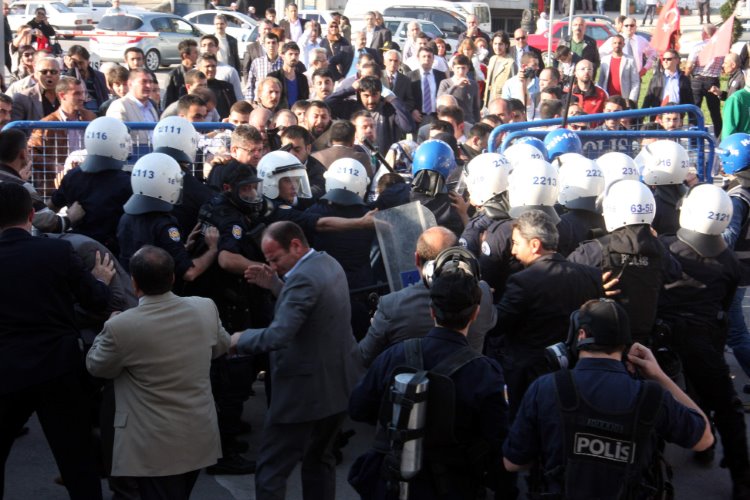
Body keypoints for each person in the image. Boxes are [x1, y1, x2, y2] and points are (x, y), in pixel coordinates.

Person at [503, 299, 714, 497]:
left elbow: (512, 463)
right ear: (625, 344)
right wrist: (659, 376)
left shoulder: (545, 387)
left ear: (581, 335)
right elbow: (704, 440)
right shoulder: (652, 396)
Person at [348, 253, 507, 499]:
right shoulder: (485, 371)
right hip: (455, 484)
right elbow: (496, 437)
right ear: (475, 314)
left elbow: (358, 408)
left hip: (394, 479)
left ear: (432, 311)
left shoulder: (394, 356)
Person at [230, 221, 364, 500]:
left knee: (271, 469)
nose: (273, 266)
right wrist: (276, 285)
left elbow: (280, 334)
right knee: (320, 460)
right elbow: (310, 308)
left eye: (275, 259)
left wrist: (238, 340)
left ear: (295, 245)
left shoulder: (303, 278)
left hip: (303, 393)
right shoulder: (327, 263)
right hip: (337, 387)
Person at [86, 246, 230, 499]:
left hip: (152, 445)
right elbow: (221, 346)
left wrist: (105, 327)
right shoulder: (205, 307)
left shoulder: (121, 326)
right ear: (172, 277)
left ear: (133, 283)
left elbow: (97, 367)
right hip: (198, 433)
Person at [0, 182, 114, 500]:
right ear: (31, 215)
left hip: (6, 369)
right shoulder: (56, 251)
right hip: (58, 367)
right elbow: (95, 301)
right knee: (76, 460)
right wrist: (100, 281)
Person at [657, 184, 750, 497]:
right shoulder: (729, 262)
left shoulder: (666, 247)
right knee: (725, 405)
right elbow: (724, 307)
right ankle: (740, 475)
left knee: (650, 401)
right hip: (705, 341)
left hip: (662, 338)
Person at [495, 209, 602, 414]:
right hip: (573, 373)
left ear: (535, 245)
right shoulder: (591, 276)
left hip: (529, 376)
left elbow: (499, 324)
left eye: (516, 243)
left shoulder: (522, 282)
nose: (513, 251)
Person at [360, 225, 497, 366]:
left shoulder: (390, 306)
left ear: (417, 259)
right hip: (470, 383)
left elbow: (364, 356)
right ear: (458, 254)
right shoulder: (483, 292)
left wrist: (380, 326)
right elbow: (490, 322)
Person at [568, 180, 681, 343]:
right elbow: (674, 274)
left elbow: (561, 280)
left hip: (597, 342)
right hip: (642, 343)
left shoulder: (594, 250)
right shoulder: (660, 251)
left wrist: (592, 286)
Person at [46, 117, 132, 252]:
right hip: (111, 254)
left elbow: (49, 208)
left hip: (76, 248)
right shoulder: (126, 183)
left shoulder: (72, 176)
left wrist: (67, 219)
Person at [106, 68, 159, 154]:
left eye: (150, 82)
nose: (149, 86)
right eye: (144, 82)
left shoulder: (151, 108)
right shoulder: (119, 106)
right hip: (131, 161)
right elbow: (117, 140)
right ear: (130, 84)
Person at [686, 24, 724, 137]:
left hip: (698, 79)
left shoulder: (698, 46)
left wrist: (686, 76)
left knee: (694, 110)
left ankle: (693, 139)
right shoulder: (720, 47)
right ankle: (719, 136)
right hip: (713, 81)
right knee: (715, 111)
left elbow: (689, 64)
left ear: (704, 33)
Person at [10, 56, 60, 122]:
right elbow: (16, 129)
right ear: (36, 74)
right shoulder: (21, 98)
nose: (49, 75)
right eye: (44, 72)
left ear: (59, 73)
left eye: (53, 72)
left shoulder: (69, 95)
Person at [408, 47, 447, 129]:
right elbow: (407, 97)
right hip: (418, 117)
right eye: (424, 56)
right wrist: (412, 110)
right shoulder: (410, 76)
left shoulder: (441, 75)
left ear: (433, 59)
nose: (427, 59)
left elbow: (444, 95)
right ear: (418, 58)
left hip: (436, 117)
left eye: (429, 56)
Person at [438, 54, 481, 124]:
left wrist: (477, 122)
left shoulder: (473, 84)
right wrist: (455, 86)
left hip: (469, 122)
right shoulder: (445, 83)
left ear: (468, 68)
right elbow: (439, 99)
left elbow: (476, 107)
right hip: (450, 122)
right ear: (453, 68)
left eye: (463, 68)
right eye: (458, 68)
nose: (460, 71)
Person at [597, 35, 640, 102]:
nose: (617, 45)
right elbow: (600, 81)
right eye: (615, 43)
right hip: (608, 98)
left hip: (624, 99)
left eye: (619, 43)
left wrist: (631, 99)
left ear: (623, 44)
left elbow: (635, 82)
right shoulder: (605, 60)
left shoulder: (630, 60)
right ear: (611, 44)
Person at [267, 41, 309, 109]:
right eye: (290, 54)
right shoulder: (273, 77)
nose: (293, 57)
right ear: (282, 56)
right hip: (279, 115)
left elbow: (305, 100)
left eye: (296, 54)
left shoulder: (302, 78)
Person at [502, 52, 540, 121]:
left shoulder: (540, 83)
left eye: (538, 65)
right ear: (524, 66)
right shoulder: (510, 83)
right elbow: (505, 105)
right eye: (534, 65)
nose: (537, 68)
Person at [163, 39, 199, 110]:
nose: (197, 55)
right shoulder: (173, 76)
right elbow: (167, 102)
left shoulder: (198, 73)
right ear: (185, 55)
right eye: (195, 53)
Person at [484, 31, 515, 109]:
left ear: (506, 45)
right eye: (495, 44)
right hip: (489, 104)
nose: (497, 47)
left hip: (502, 105)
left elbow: (514, 88)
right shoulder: (492, 59)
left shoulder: (511, 63)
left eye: (500, 44)